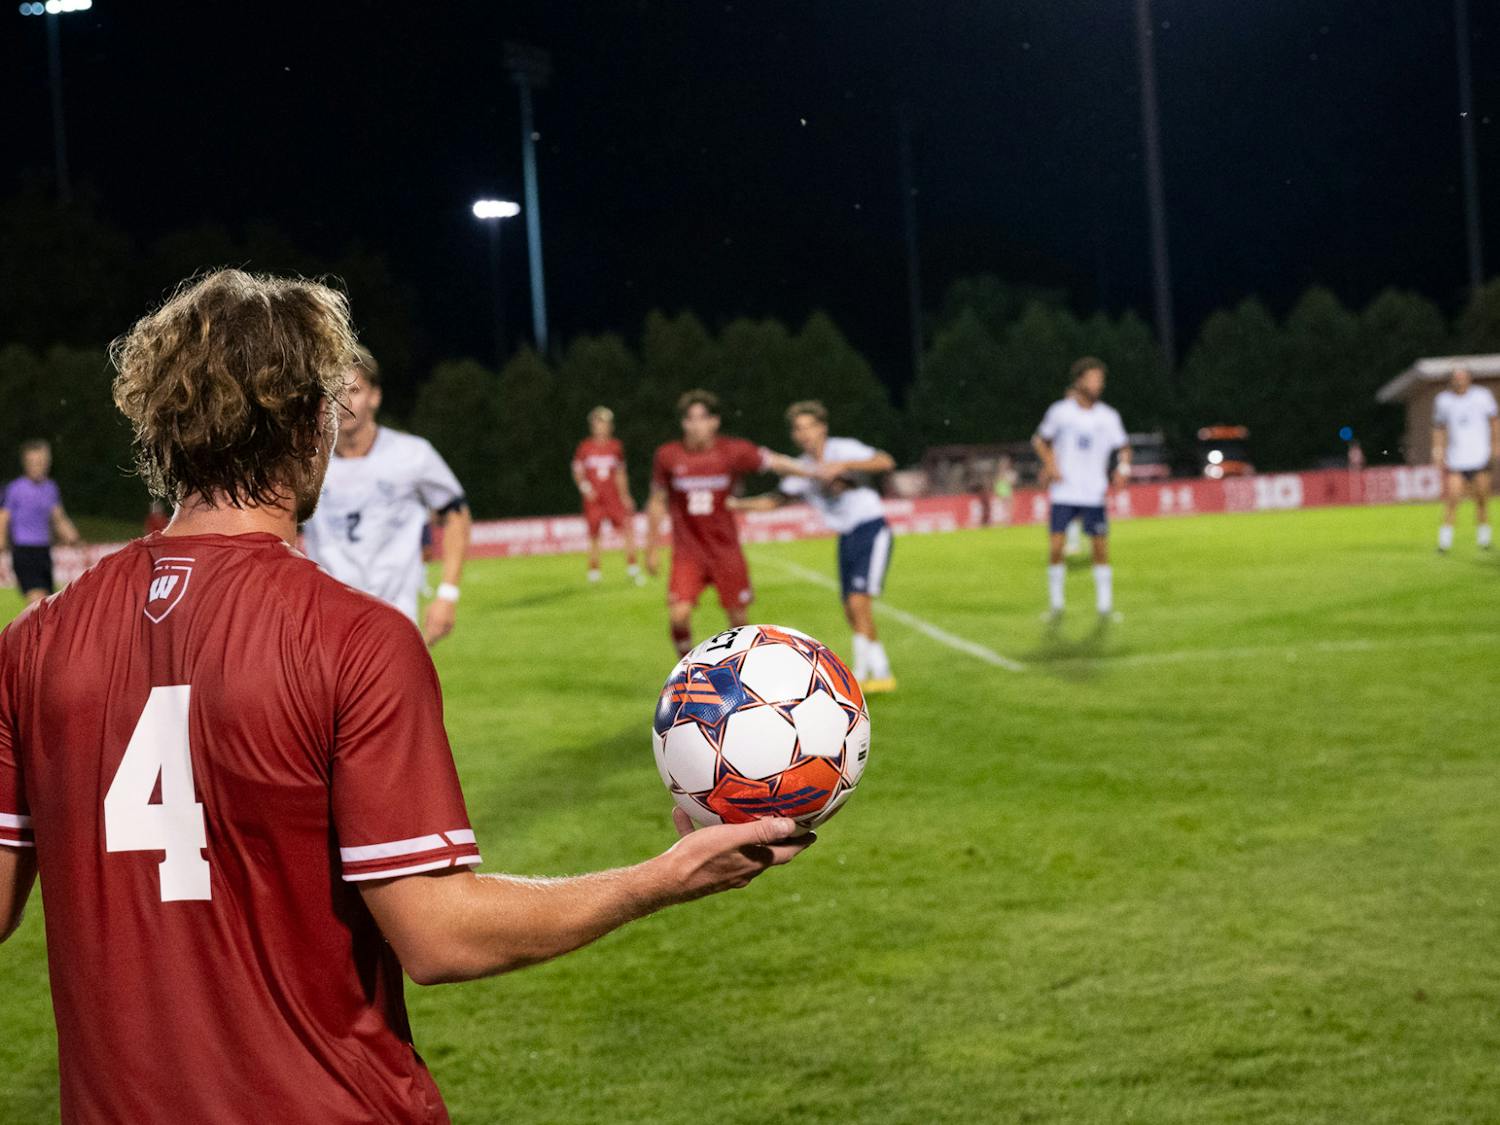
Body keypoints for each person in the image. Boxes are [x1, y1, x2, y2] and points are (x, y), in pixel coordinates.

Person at [0, 269, 812, 1124]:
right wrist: (656, 878)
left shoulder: (37, 640)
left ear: (157, 423)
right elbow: (438, 933)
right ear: (313, 421)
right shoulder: (356, 638)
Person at [300, 346, 473, 645]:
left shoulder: (412, 455)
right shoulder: (306, 462)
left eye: (354, 390)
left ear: (375, 396)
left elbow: (457, 514)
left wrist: (447, 594)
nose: (345, 403)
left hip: (395, 620)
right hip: (326, 624)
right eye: (335, 392)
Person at [732, 401, 899, 693]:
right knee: (851, 608)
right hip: (847, 535)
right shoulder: (802, 469)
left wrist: (845, 466)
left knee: (859, 603)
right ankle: (882, 672)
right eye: (799, 429)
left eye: (810, 426)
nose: (806, 433)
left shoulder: (842, 449)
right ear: (794, 436)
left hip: (870, 528)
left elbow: (885, 461)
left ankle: (858, 676)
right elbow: (774, 500)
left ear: (823, 428)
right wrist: (734, 505)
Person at [645, 390, 773, 655]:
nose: (696, 425)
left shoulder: (732, 451)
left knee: (738, 620)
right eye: (690, 419)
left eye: (702, 418)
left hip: (725, 549)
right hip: (688, 552)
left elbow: (772, 461)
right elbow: (657, 500)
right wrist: (652, 548)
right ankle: (687, 672)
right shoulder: (668, 455)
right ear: (683, 423)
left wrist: (811, 471)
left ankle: (747, 673)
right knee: (678, 616)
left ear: (714, 421)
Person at [1031, 357, 1132, 619]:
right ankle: (1056, 606)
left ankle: (1105, 607)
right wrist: (1051, 465)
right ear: (1079, 380)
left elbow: (1124, 448)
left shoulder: (1108, 416)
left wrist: (1123, 469)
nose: (1098, 384)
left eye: (1100, 379)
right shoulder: (1060, 412)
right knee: (1056, 547)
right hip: (1064, 491)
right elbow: (1040, 440)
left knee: (1099, 548)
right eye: (1093, 378)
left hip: (1093, 492)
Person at [0, 440, 82, 605]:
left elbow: (58, 517)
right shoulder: (15, 489)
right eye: (34, 463)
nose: (38, 466)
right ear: (26, 464)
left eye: (42, 462)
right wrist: (1, 540)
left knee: (49, 606)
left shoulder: (50, 488)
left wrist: (73, 536)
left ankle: (42, 632)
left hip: (44, 553)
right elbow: (4, 516)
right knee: (37, 601)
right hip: (24, 553)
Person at [572, 406, 643, 585]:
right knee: (594, 535)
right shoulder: (585, 447)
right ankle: (594, 571)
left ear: (610, 426)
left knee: (626, 530)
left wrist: (625, 495)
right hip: (594, 499)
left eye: (604, 423)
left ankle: (633, 568)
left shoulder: (615, 447)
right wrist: (586, 488)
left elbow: (620, 473)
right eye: (597, 423)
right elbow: (577, 471)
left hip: (613, 498)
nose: (600, 426)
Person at [1432, 365, 1497, 553]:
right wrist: (1437, 451)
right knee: (1452, 499)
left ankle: (1484, 540)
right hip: (1457, 460)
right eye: (1456, 376)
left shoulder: (1482, 396)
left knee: (1482, 500)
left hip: (1480, 457)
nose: (1459, 380)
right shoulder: (1443, 400)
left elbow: (1494, 422)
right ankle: (1444, 543)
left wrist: (1495, 445)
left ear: (1469, 378)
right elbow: (1439, 427)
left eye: (1462, 376)